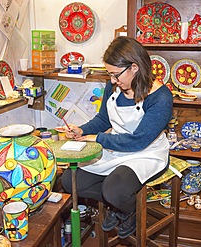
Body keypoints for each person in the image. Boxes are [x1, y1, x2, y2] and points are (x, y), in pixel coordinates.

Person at [60, 36, 173, 239]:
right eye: (109, 74)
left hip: (147, 152)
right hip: (118, 145)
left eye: (115, 74)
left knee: (114, 189)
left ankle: (129, 211)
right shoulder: (114, 87)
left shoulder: (160, 97)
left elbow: (139, 140)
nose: (112, 80)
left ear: (134, 67)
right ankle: (120, 208)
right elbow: (103, 119)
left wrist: (99, 139)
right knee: (70, 179)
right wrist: (82, 131)